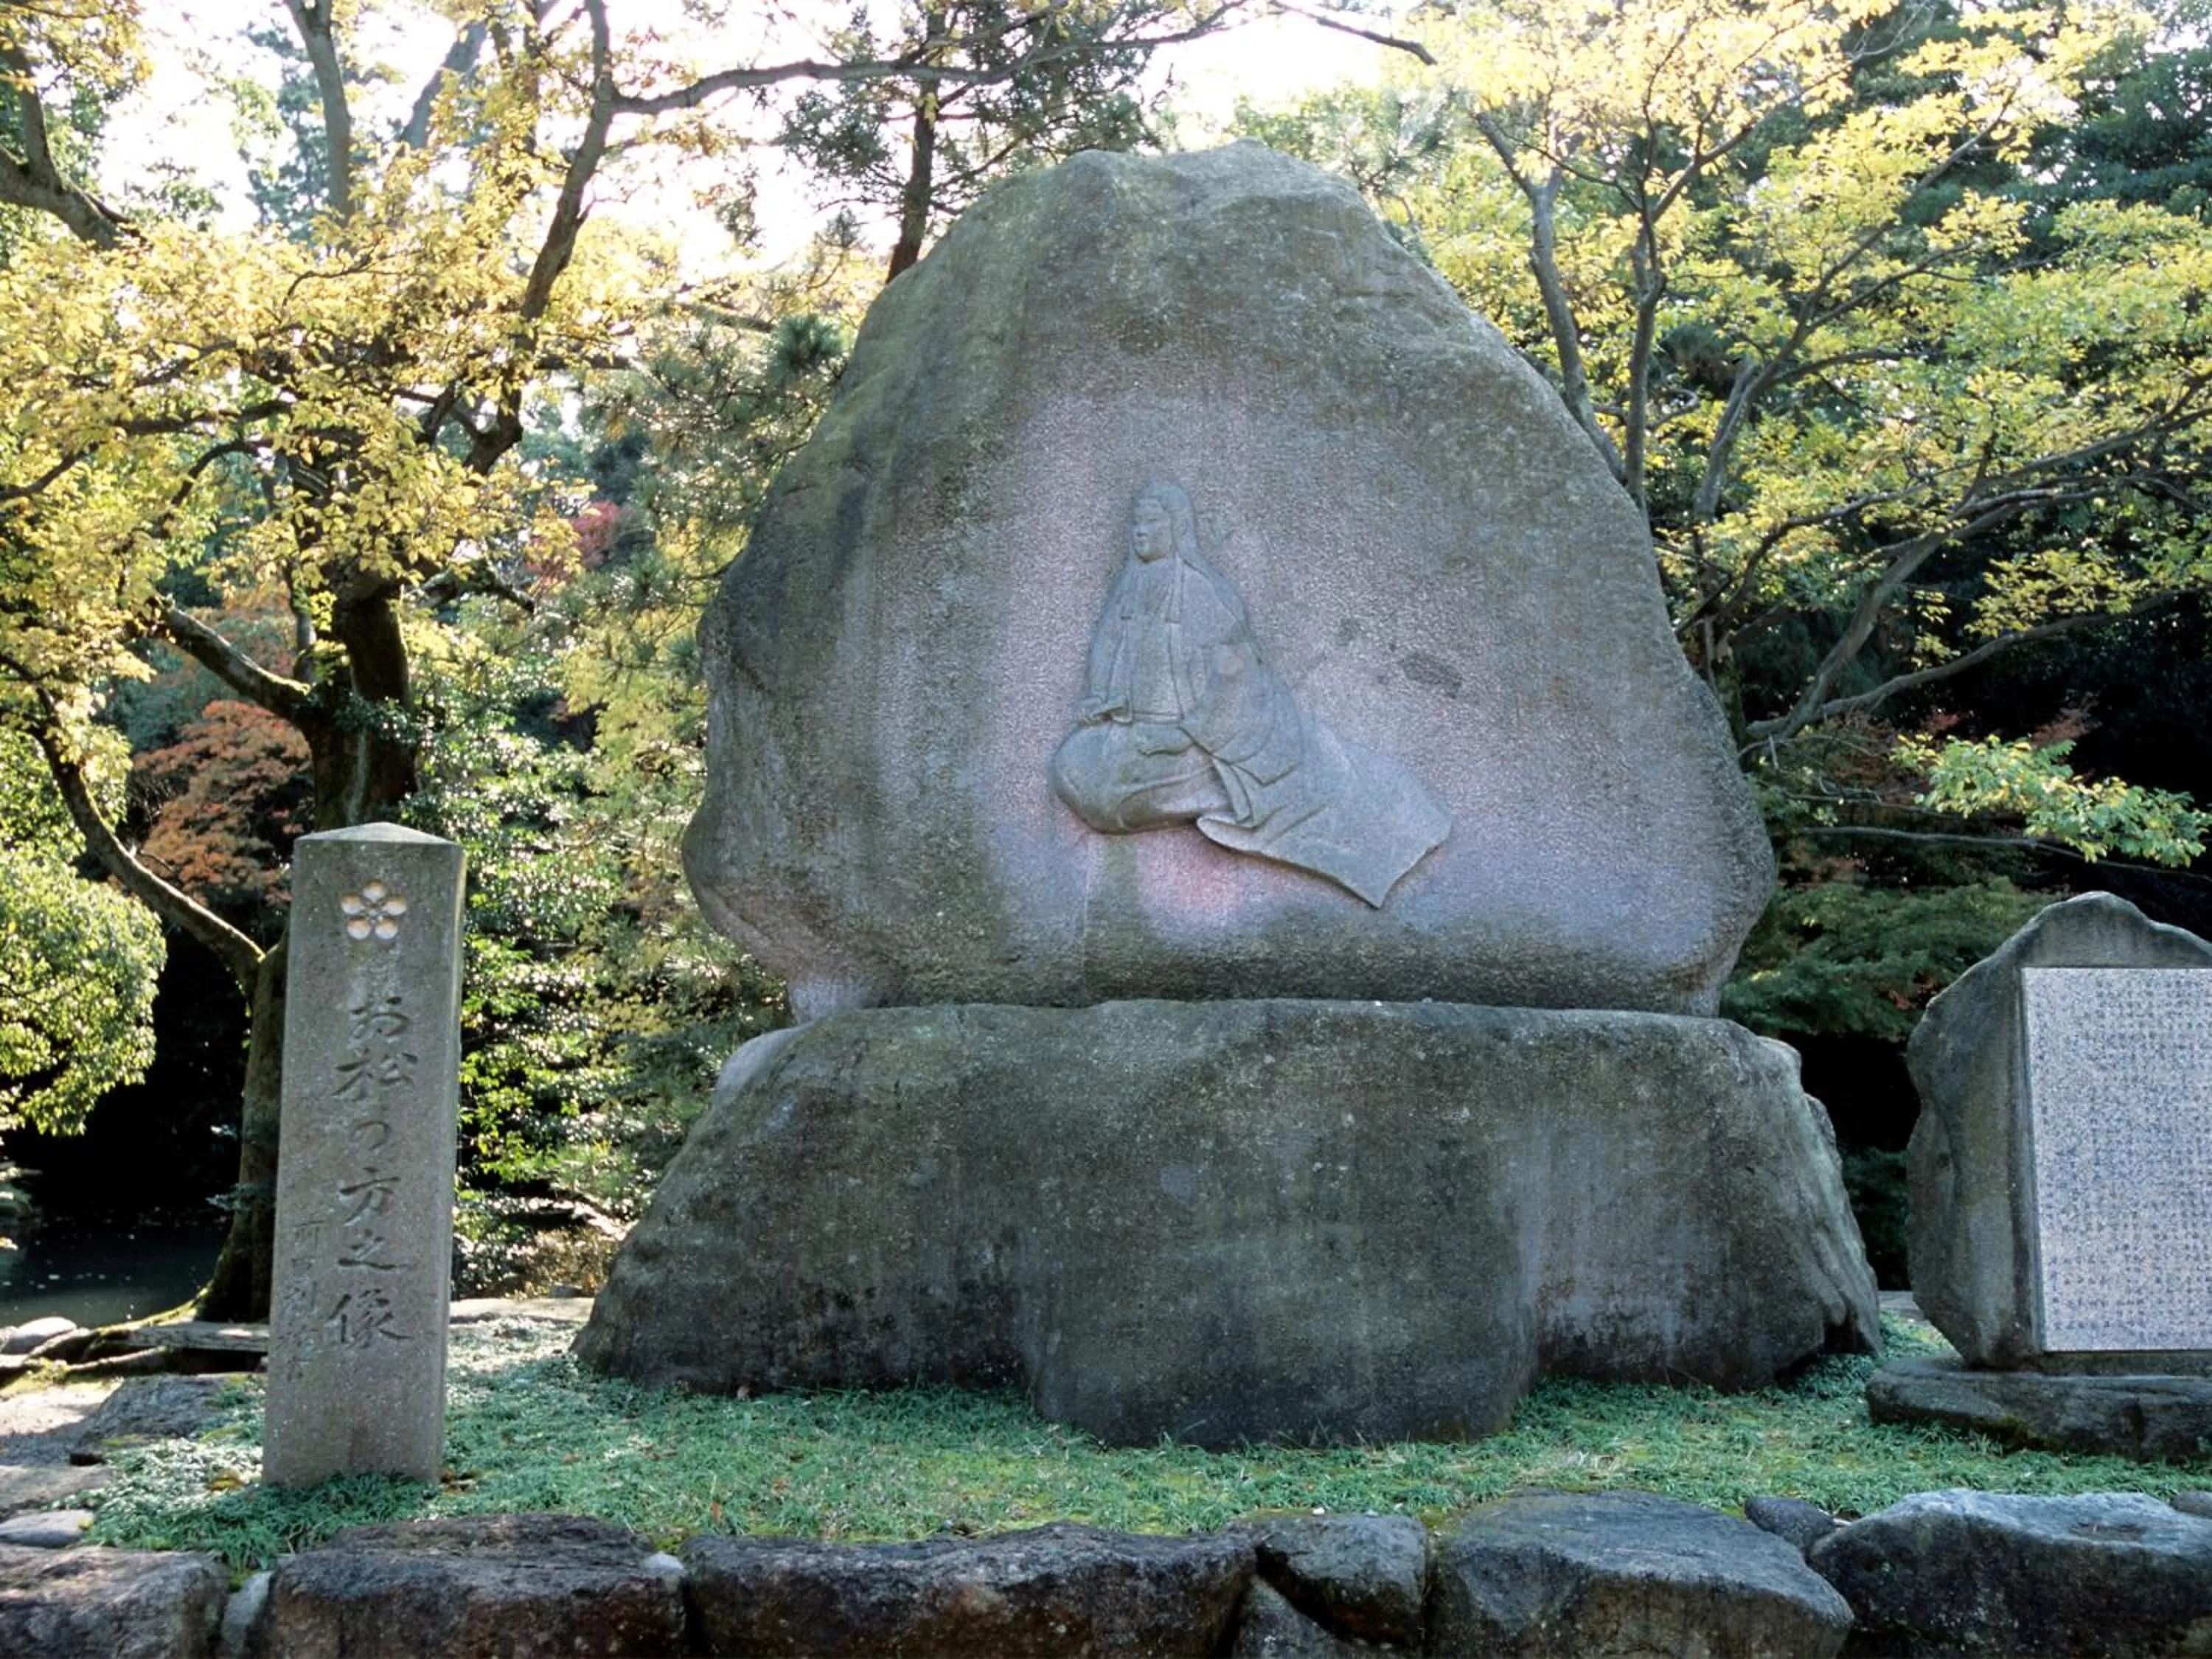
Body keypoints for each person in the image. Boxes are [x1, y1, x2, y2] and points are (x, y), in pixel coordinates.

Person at [1051, 481, 1449, 906]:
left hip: (1197, 740)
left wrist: (1182, 735)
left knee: (1108, 792)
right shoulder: (1131, 586)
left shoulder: (1203, 591)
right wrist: (1102, 699)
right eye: (1135, 522)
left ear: (1177, 527)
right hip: (1135, 731)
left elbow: (1235, 680)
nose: (1139, 531)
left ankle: (1224, 793)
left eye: (1151, 521)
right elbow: (1111, 646)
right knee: (1072, 766)